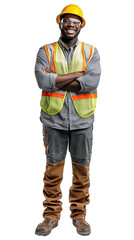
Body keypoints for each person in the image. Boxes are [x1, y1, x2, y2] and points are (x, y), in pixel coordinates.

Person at [34, 4, 101, 236]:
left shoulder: (91, 52)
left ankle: (79, 214)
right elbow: (43, 82)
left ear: (81, 25)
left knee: (82, 170)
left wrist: (56, 78)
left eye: (75, 21)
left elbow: (91, 83)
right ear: (60, 23)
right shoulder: (46, 50)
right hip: (54, 120)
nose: (70, 24)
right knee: (53, 171)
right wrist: (76, 75)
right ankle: (51, 215)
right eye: (66, 20)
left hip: (83, 121)